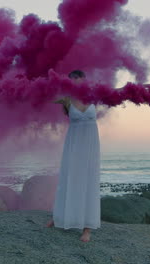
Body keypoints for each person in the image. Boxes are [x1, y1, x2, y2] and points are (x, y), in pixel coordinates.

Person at [47, 70, 101, 243]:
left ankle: (87, 228)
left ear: (85, 80)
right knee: (68, 178)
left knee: (89, 181)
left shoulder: (95, 95)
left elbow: (121, 92)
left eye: (79, 78)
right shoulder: (66, 99)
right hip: (74, 144)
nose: (76, 81)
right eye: (72, 79)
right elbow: (42, 95)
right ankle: (59, 218)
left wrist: (148, 88)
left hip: (90, 146)